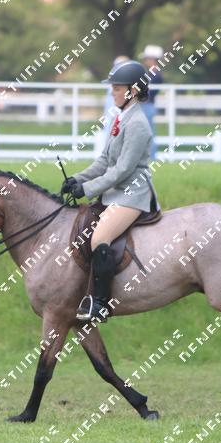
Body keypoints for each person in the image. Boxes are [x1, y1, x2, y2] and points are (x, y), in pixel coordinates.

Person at [61, 60, 162, 322]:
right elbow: (105, 161)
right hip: (116, 191)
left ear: (133, 90)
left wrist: (87, 188)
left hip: (132, 193)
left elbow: (123, 170)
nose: (112, 92)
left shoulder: (137, 123)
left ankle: (100, 304)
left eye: (117, 88)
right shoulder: (121, 117)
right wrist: (77, 179)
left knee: (99, 239)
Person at [138, 44, 165, 160]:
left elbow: (149, 93)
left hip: (147, 106)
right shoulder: (151, 74)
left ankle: (151, 156)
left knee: (148, 132)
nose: (145, 61)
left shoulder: (156, 75)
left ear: (152, 59)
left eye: (147, 58)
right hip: (146, 105)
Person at [102, 55, 130, 142]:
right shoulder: (114, 79)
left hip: (119, 107)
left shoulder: (127, 80)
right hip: (112, 106)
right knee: (109, 128)